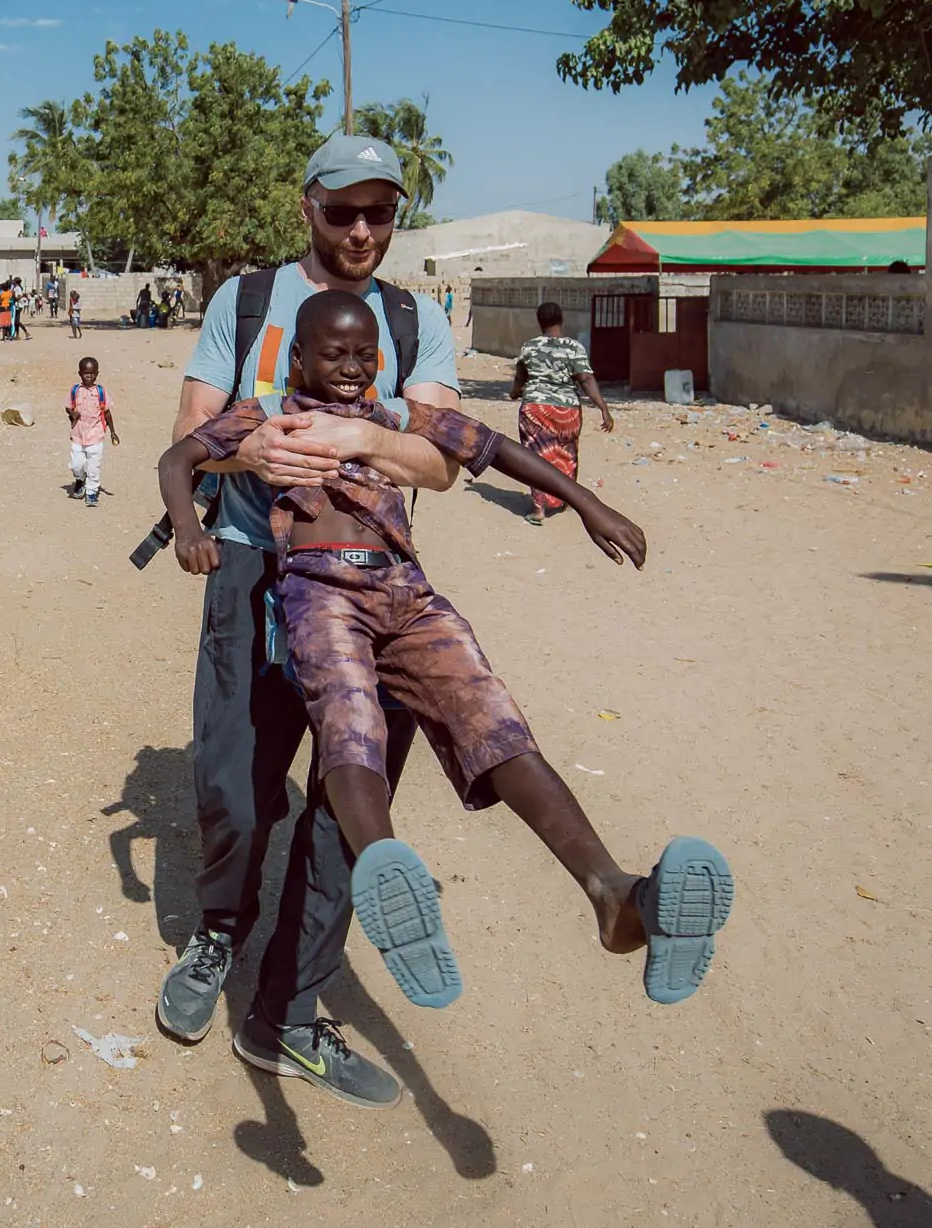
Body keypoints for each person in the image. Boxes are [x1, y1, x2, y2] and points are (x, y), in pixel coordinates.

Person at [159, 290, 734, 1010]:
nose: (349, 368)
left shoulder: (397, 416)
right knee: (350, 720)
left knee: (490, 717)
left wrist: (588, 504)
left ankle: (614, 894)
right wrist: (189, 528)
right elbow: (180, 457)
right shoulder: (271, 412)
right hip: (319, 590)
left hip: (406, 588)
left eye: (364, 357)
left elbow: (492, 448)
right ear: (298, 358)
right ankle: (383, 870)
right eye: (332, 355)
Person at [160, 134, 467, 1109]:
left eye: (382, 211)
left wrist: (363, 436)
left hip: (369, 580)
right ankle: (218, 929)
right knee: (238, 782)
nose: (364, 229)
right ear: (309, 208)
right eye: (344, 210)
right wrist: (253, 456)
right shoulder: (245, 304)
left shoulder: (418, 320)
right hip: (252, 567)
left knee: (344, 802)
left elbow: (442, 460)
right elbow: (187, 442)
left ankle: (287, 1011)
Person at [509, 301, 614, 525]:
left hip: (536, 408)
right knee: (567, 453)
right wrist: (603, 408)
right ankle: (565, 499)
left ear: (539, 322)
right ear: (561, 319)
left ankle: (538, 509)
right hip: (567, 410)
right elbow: (586, 379)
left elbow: (520, 377)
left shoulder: (529, 346)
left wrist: (515, 392)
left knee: (535, 456)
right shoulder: (574, 347)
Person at [66, 357, 119, 507]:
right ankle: (80, 479)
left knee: (94, 466)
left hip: (96, 435)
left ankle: (92, 491)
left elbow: (107, 413)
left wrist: (113, 432)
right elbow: (67, 406)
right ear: (80, 373)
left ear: (97, 374)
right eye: (85, 373)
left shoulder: (101, 392)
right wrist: (72, 413)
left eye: (92, 373)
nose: (88, 376)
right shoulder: (75, 391)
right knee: (76, 464)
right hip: (78, 435)